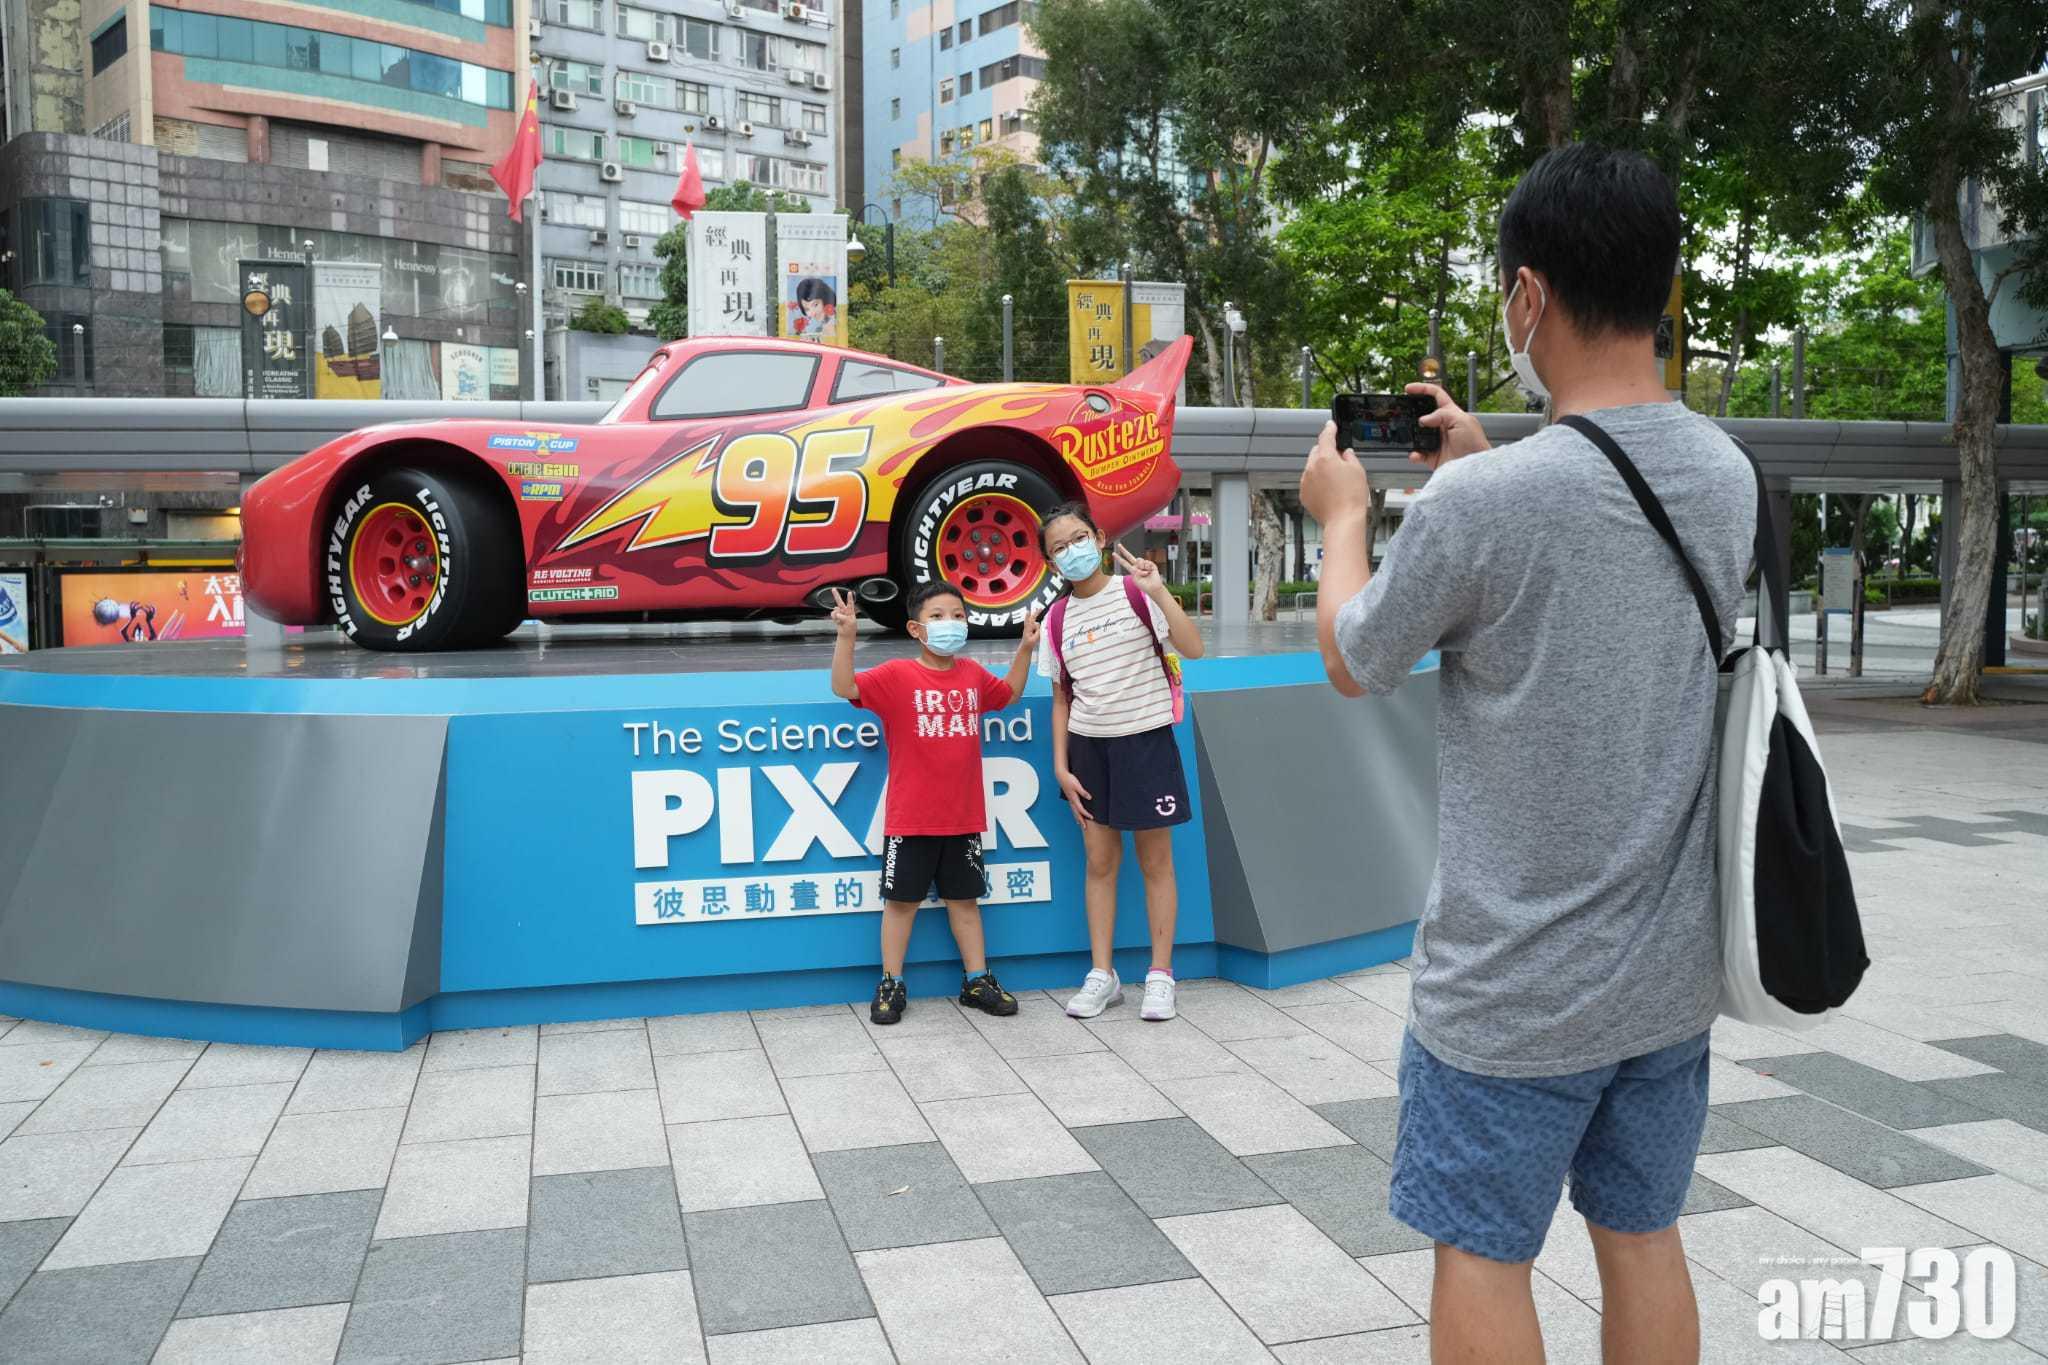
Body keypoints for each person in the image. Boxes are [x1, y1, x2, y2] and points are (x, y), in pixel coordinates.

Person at [1297, 143, 1754, 1365]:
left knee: (1481, 1256)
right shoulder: (1723, 471)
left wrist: (1344, 518)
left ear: (1527, 295)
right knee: (1642, 1237)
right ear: (1659, 287)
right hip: (1666, 976)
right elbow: (1589, 545)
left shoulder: (1480, 506)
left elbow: (1352, 655)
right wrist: (1488, 466)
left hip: (1510, 989)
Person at [829, 582, 1039, 1025]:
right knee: (900, 904)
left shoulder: (972, 674)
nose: (951, 624)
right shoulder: (896, 675)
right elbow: (844, 686)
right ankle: (891, 982)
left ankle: (977, 980)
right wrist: (846, 636)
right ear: (915, 628)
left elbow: (1009, 694)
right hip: (910, 820)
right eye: (938, 616)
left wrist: (1025, 648)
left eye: (958, 616)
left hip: (963, 818)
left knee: (965, 902)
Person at [1038, 504, 1205, 1022]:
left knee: (1155, 863)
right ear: (1051, 564)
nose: (1072, 551)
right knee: (1099, 864)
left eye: (1078, 538)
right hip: (1089, 751)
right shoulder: (1056, 619)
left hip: (1146, 743)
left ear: (1099, 537)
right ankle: (1102, 975)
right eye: (1059, 548)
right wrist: (1062, 767)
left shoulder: (1137, 592)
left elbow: (1194, 648)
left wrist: (1159, 591)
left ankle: (1160, 975)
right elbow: (1061, 699)